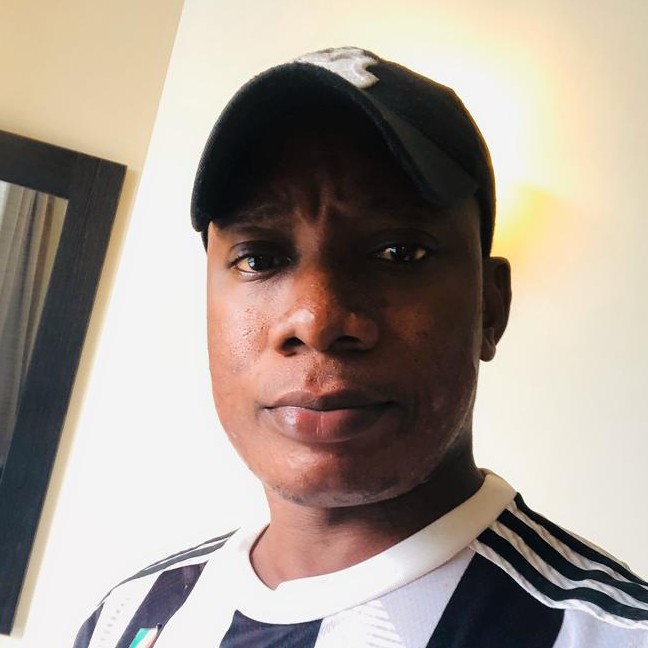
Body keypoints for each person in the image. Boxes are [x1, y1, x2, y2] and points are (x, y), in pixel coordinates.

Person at [74, 47, 648, 648]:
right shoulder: (126, 618)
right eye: (259, 258)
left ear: (490, 307)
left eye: (398, 252)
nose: (316, 320)